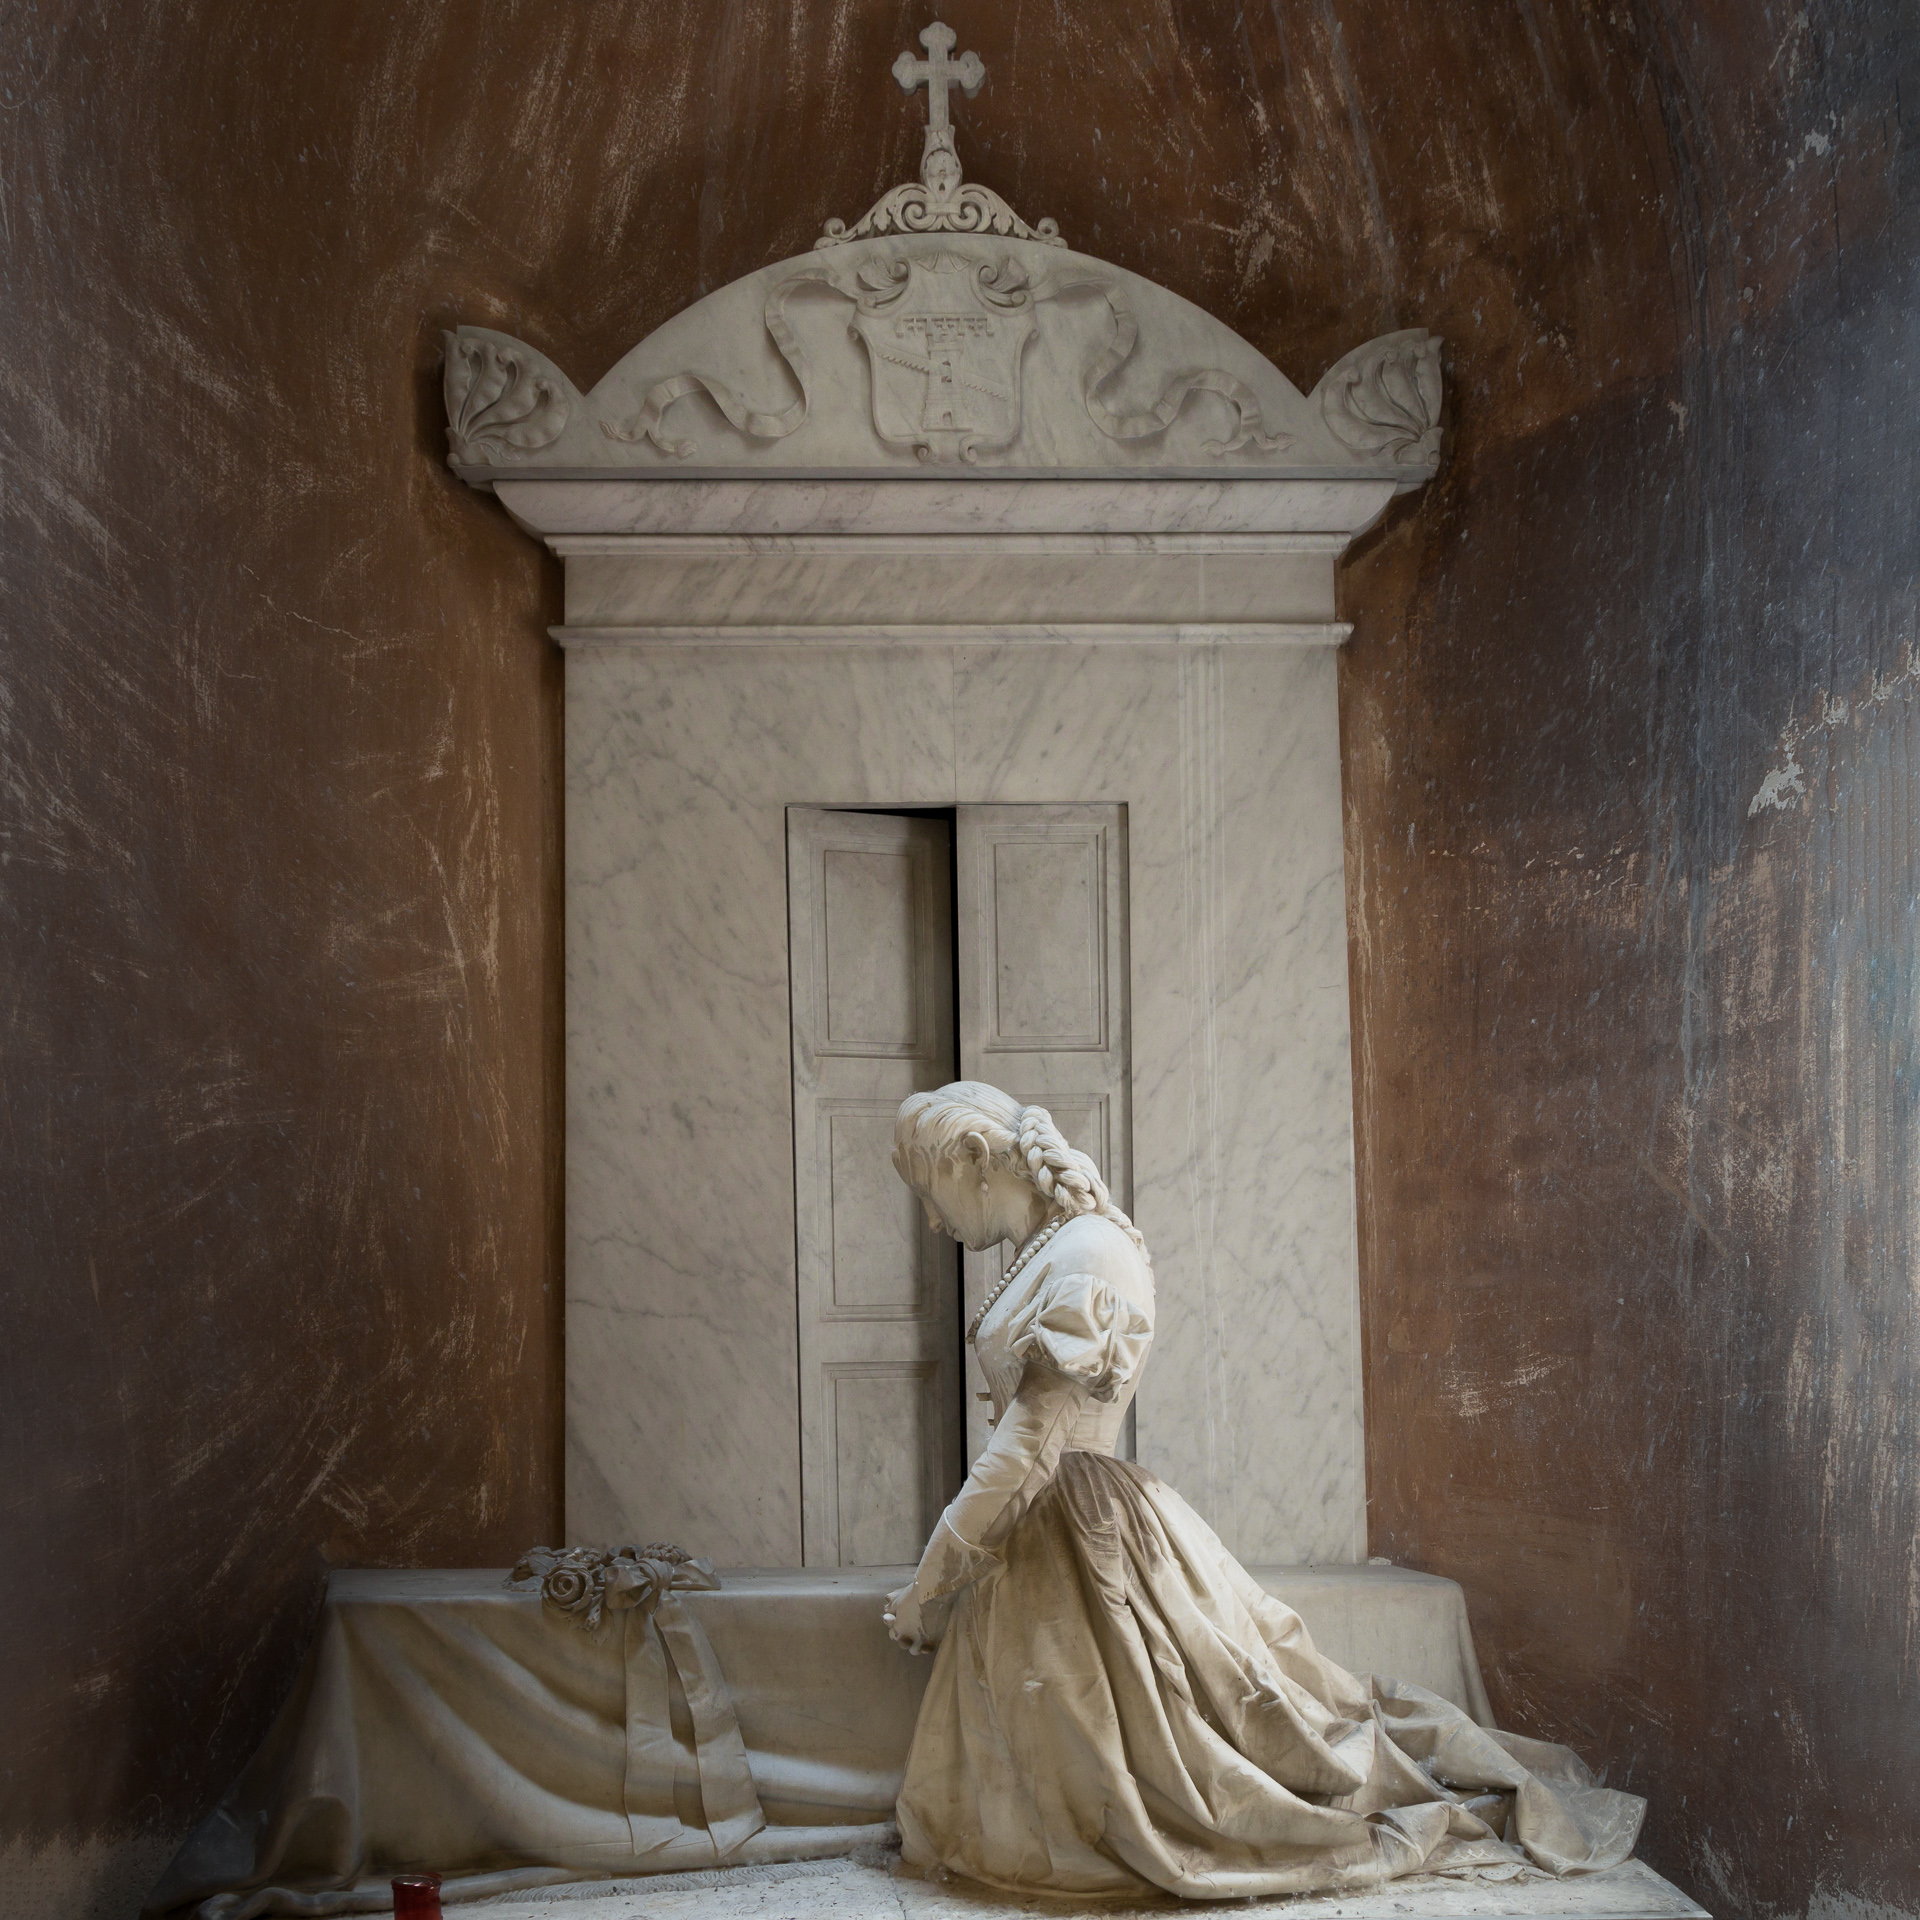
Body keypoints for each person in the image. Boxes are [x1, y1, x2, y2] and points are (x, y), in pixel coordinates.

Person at [883, 1081, 1644, 1900]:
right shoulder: (1056, 1249)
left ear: (973, 1159)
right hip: (1040, 1535)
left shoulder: (1089, 1256)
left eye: (932, 1196)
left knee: (1203, 1757)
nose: (934, 1222)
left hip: (1077, 1525)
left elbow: (1027, 1447)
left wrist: (931, 1581)